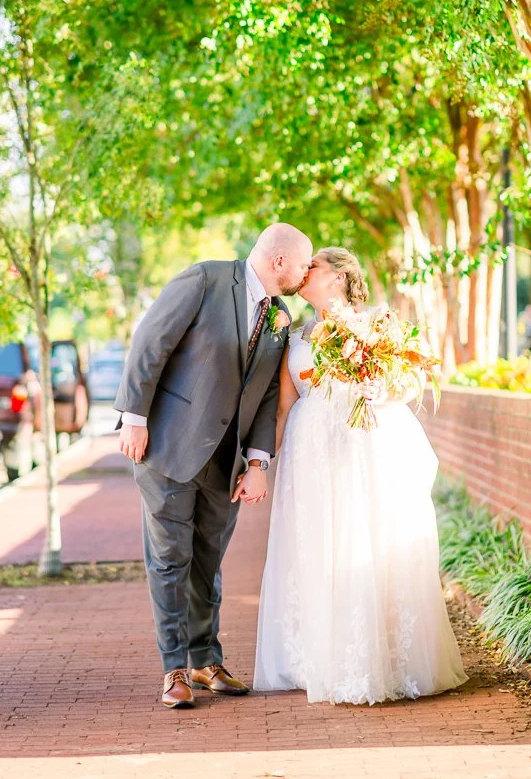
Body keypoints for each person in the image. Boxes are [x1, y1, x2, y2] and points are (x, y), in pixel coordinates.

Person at [254, 246, 468, 705]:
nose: (303, 270)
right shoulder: (293, 333)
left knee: (368, 538)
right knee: (317, 545)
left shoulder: (378, 323)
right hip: (310, 453)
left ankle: (385, 657)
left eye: (313, 266)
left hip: (366, 445)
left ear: (338, 277)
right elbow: (285, 404)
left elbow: (411, 381)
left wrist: (383, 388)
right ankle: (319, 657)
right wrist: (257, 464)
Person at [114, 223, 313, 708]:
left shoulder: (280, 317)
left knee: (207, 563)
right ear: (280, 261)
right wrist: (134, 418)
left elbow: (268, 394)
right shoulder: (204, 280)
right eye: (305, 264)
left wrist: (259, 461)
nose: (307, 274)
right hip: (166, 448)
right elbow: (150, 342)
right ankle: (173, 669)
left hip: (226, 464)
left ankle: (205, 661)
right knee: (169, 561)